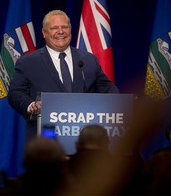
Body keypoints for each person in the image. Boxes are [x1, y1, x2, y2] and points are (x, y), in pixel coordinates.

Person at [8, 9, 119, 141]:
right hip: (46, 139)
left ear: (70, 29)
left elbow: (108, 89)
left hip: (84, 140)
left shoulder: (88, 60)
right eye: (54, 28)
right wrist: (31, 105)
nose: (60, 31)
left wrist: (120, 105)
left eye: (64, 27)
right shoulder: (28, 62)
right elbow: (15, 93)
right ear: (44, 33)